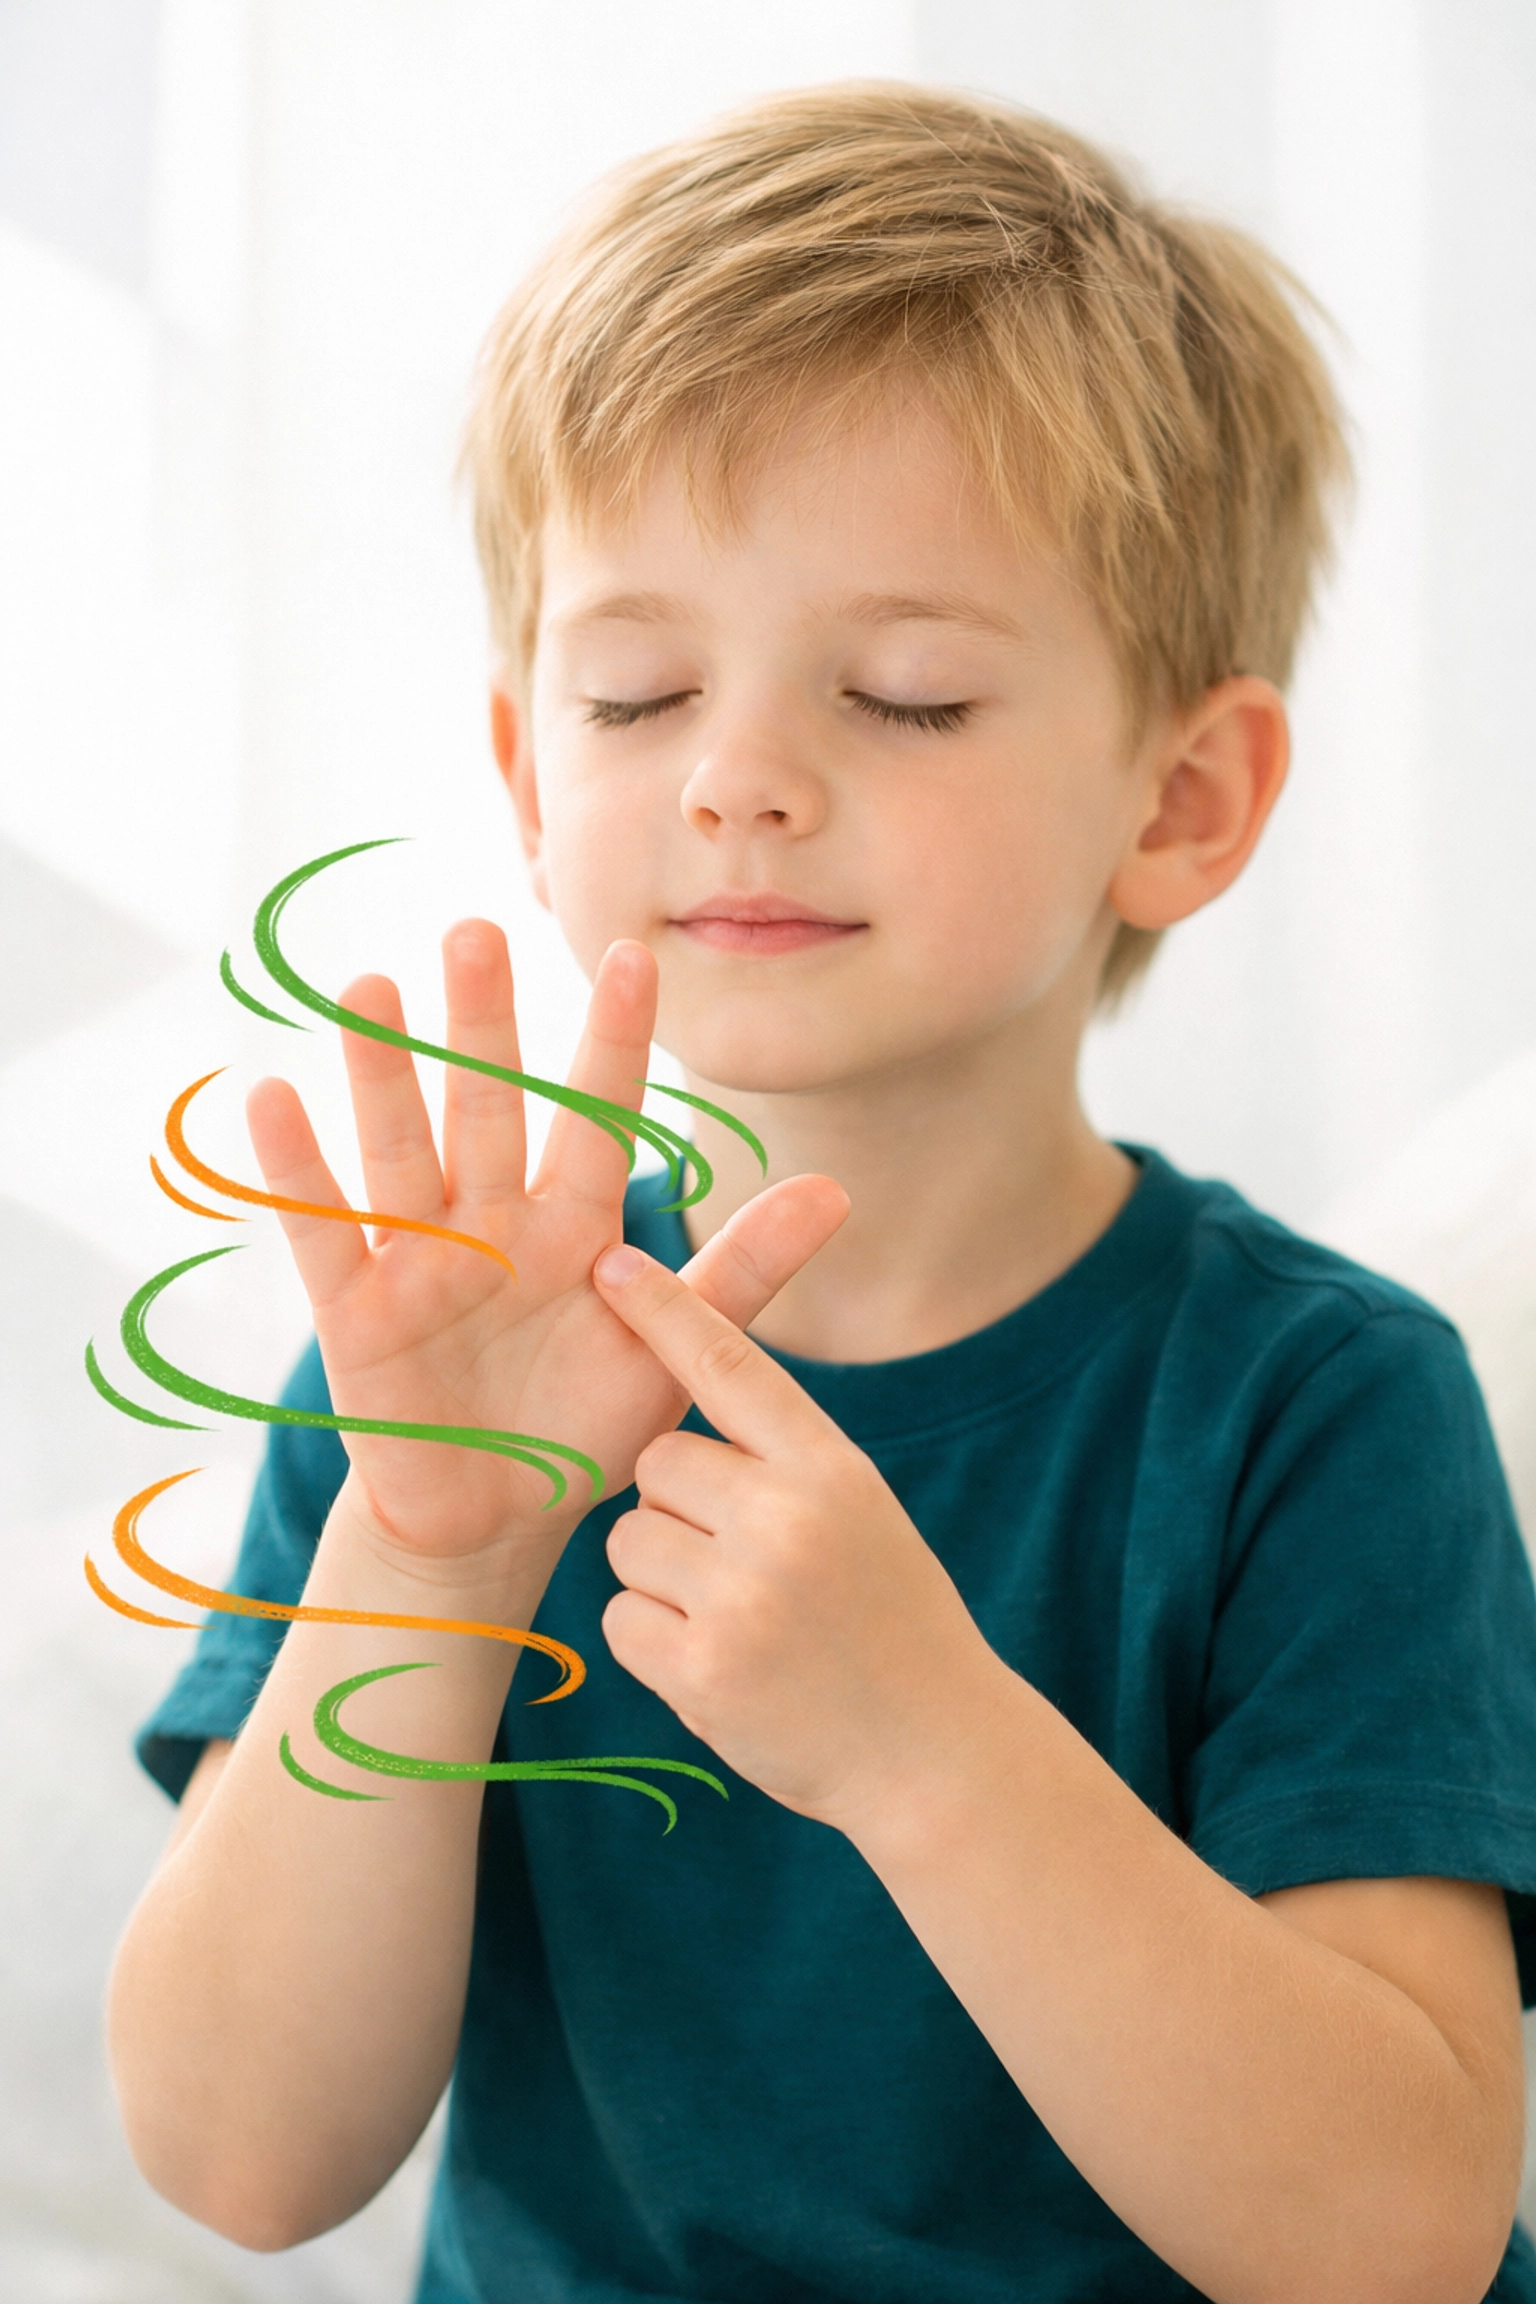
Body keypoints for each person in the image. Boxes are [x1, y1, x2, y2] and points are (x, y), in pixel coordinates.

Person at [109, 83, 1536, 2303]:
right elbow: (240, 2156)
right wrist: (422, 1550)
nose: (743, 779)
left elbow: (1394, 2235)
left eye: (905, 695)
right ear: (526, 767)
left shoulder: (1318, 1408)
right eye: (640, 688)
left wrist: (926, 1740)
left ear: (1182, 796)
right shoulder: (434, 1365)